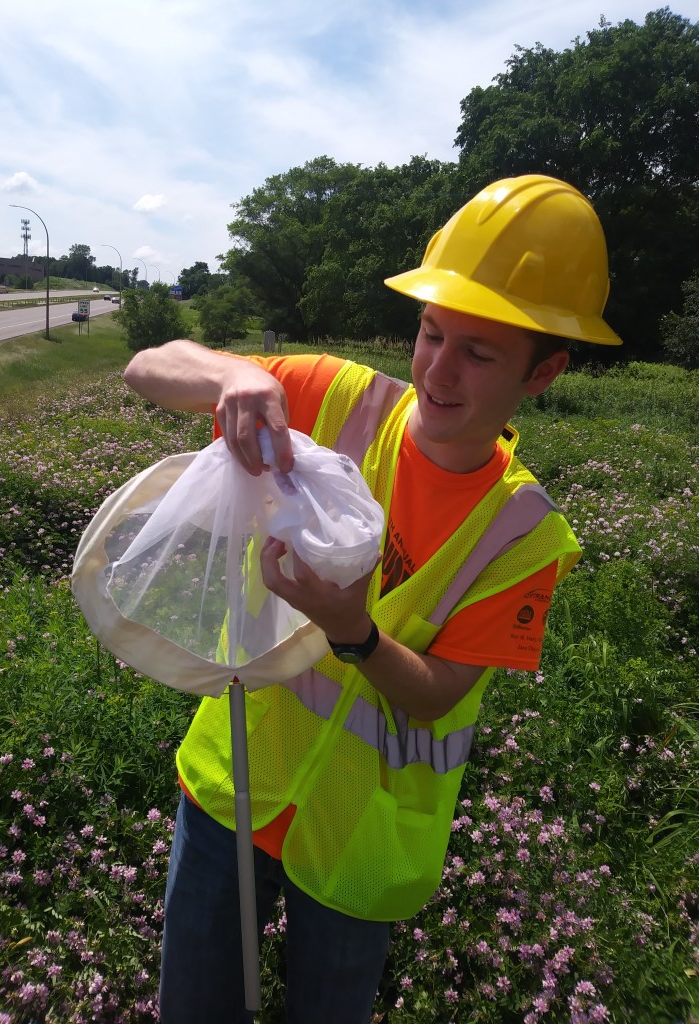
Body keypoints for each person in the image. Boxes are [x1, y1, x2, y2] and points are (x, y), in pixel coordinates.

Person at [123, 174, 623, 1024]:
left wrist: (351, 629)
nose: (438, 369)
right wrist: (233, 376)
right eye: (432, 333)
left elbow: (436, 697)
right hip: (233, 784)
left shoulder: (527, 535)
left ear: (545, 372)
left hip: (365, 842)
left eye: (479, 351)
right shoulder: (341, 400)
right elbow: (147, 366)